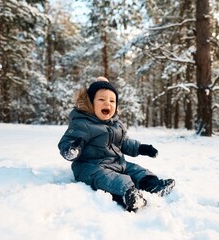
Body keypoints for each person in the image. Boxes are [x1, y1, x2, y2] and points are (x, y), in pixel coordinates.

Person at [58, 77, 175, 212]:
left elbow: (124, 142)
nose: (107, 103)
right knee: (113, 180)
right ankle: (128, 196)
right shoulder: (82, 123)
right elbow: (67, 141)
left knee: (136, 170)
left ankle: (153, 185)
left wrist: (141, 148)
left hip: (117, 163)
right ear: (91, 103)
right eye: (101, 100)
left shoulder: (116, 125)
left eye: (112, 101)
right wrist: (72, 148)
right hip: (90, 168)